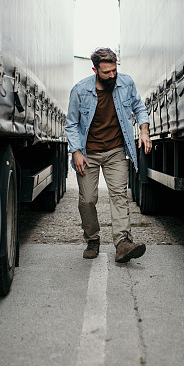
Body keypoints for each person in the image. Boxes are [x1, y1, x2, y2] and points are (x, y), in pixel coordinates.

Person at [65, 47, 152, 263]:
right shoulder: (80, 90)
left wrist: (144, 130)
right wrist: (75, 151)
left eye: (114, 70)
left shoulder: (126, 83)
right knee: (87, 200)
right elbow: (72, 123)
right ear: (95, 69)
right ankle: (92, 239)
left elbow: (139, 107)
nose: (112, 75)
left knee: (119, 197)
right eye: (106, 72)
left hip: (115, 151)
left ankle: (123, 243)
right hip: (88, 154)